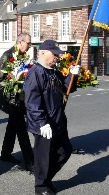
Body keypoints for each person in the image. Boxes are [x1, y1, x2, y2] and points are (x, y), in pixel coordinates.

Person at [24, 40, 80, 195]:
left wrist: (72, 76)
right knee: (43, 157)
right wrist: (42, 123)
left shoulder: (53, 71)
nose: (57, 57)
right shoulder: (35, 73)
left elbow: (65, 89)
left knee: (65, 151)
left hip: (58, 120)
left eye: (57, 54)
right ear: (42, 53)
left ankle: (46, 180)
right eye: (54, 54)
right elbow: (32, 102)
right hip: (44, 124)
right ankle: (41, 187)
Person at [0, 33, 34, 173]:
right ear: (20, 42)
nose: (30, 46)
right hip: (11, 100)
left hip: (20, 99)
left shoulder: (23, 56)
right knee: (21, 130)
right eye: (28, 43)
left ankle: (5, 154)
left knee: (12, 127)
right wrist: (16, 84)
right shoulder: (7, 56)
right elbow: (2, 79)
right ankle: (30, 162)